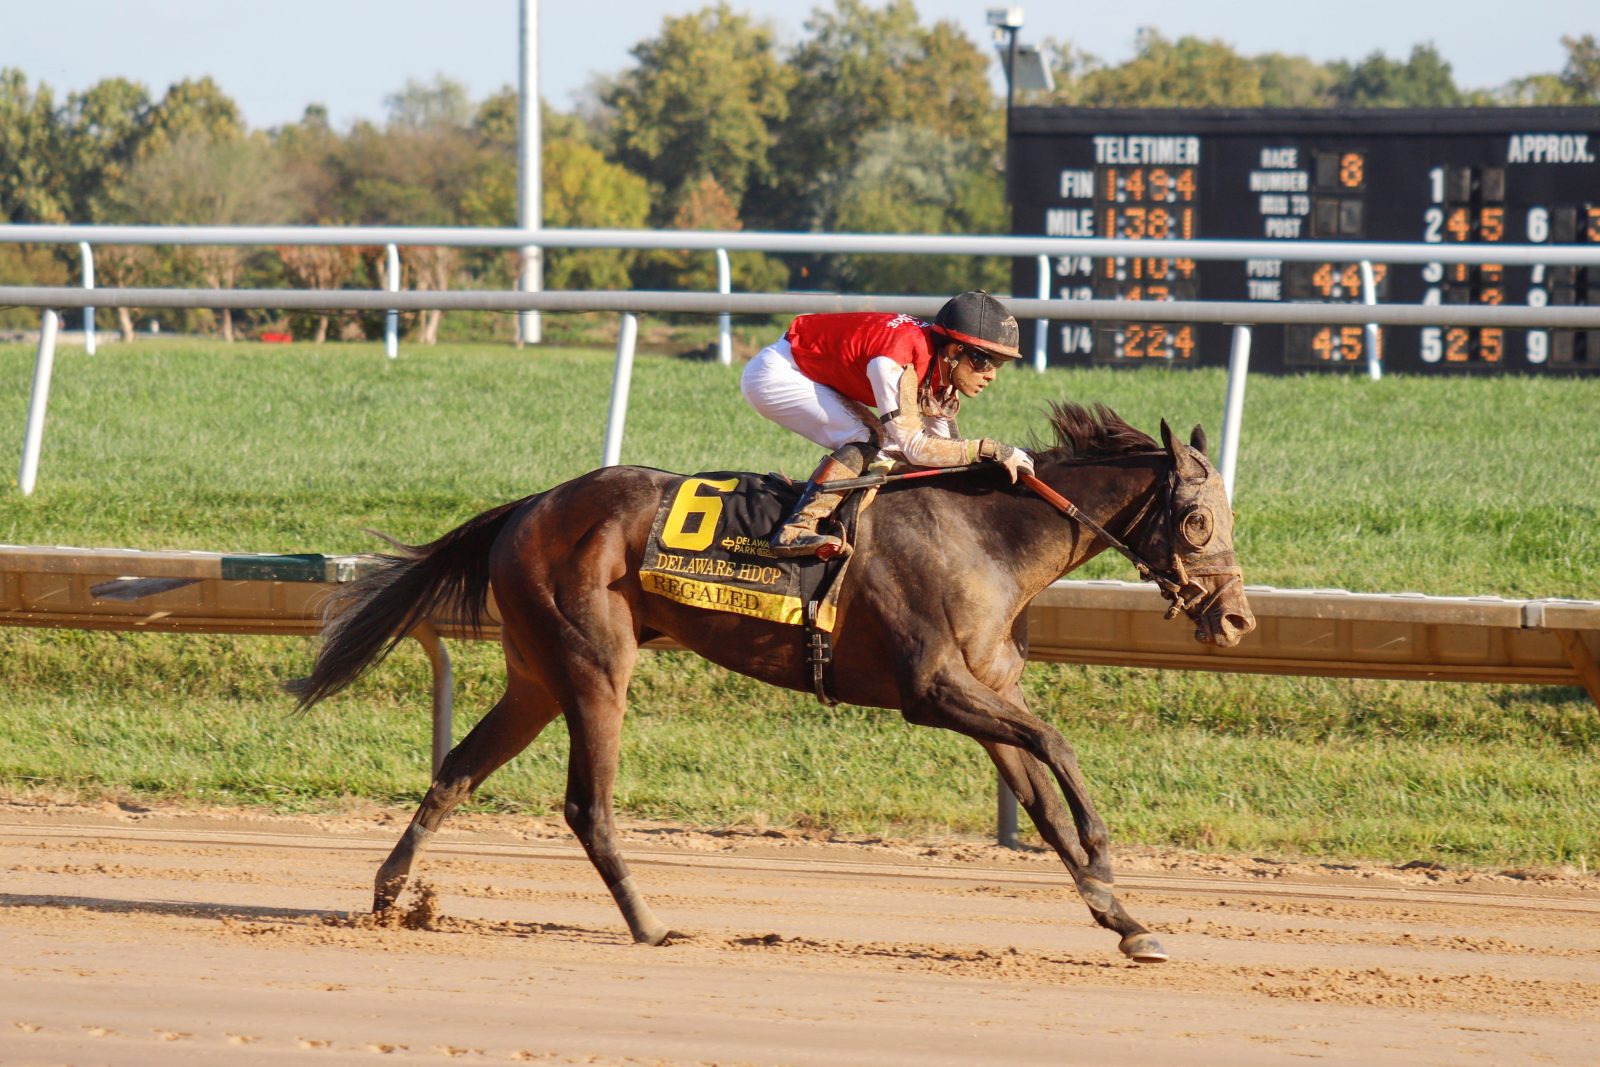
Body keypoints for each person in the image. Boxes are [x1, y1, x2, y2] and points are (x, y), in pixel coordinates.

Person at [741, 290, 1035, 558]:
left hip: (810, 368)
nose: (992, 375)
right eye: (985, 362)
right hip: (778, 373)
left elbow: (946, 454)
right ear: (955, 351)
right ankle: (797, 529)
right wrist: (989, 449)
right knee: (869, 437)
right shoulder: (896, 360)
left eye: (999, 364)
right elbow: (916, 447)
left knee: (888, 447)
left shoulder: (938, 362)